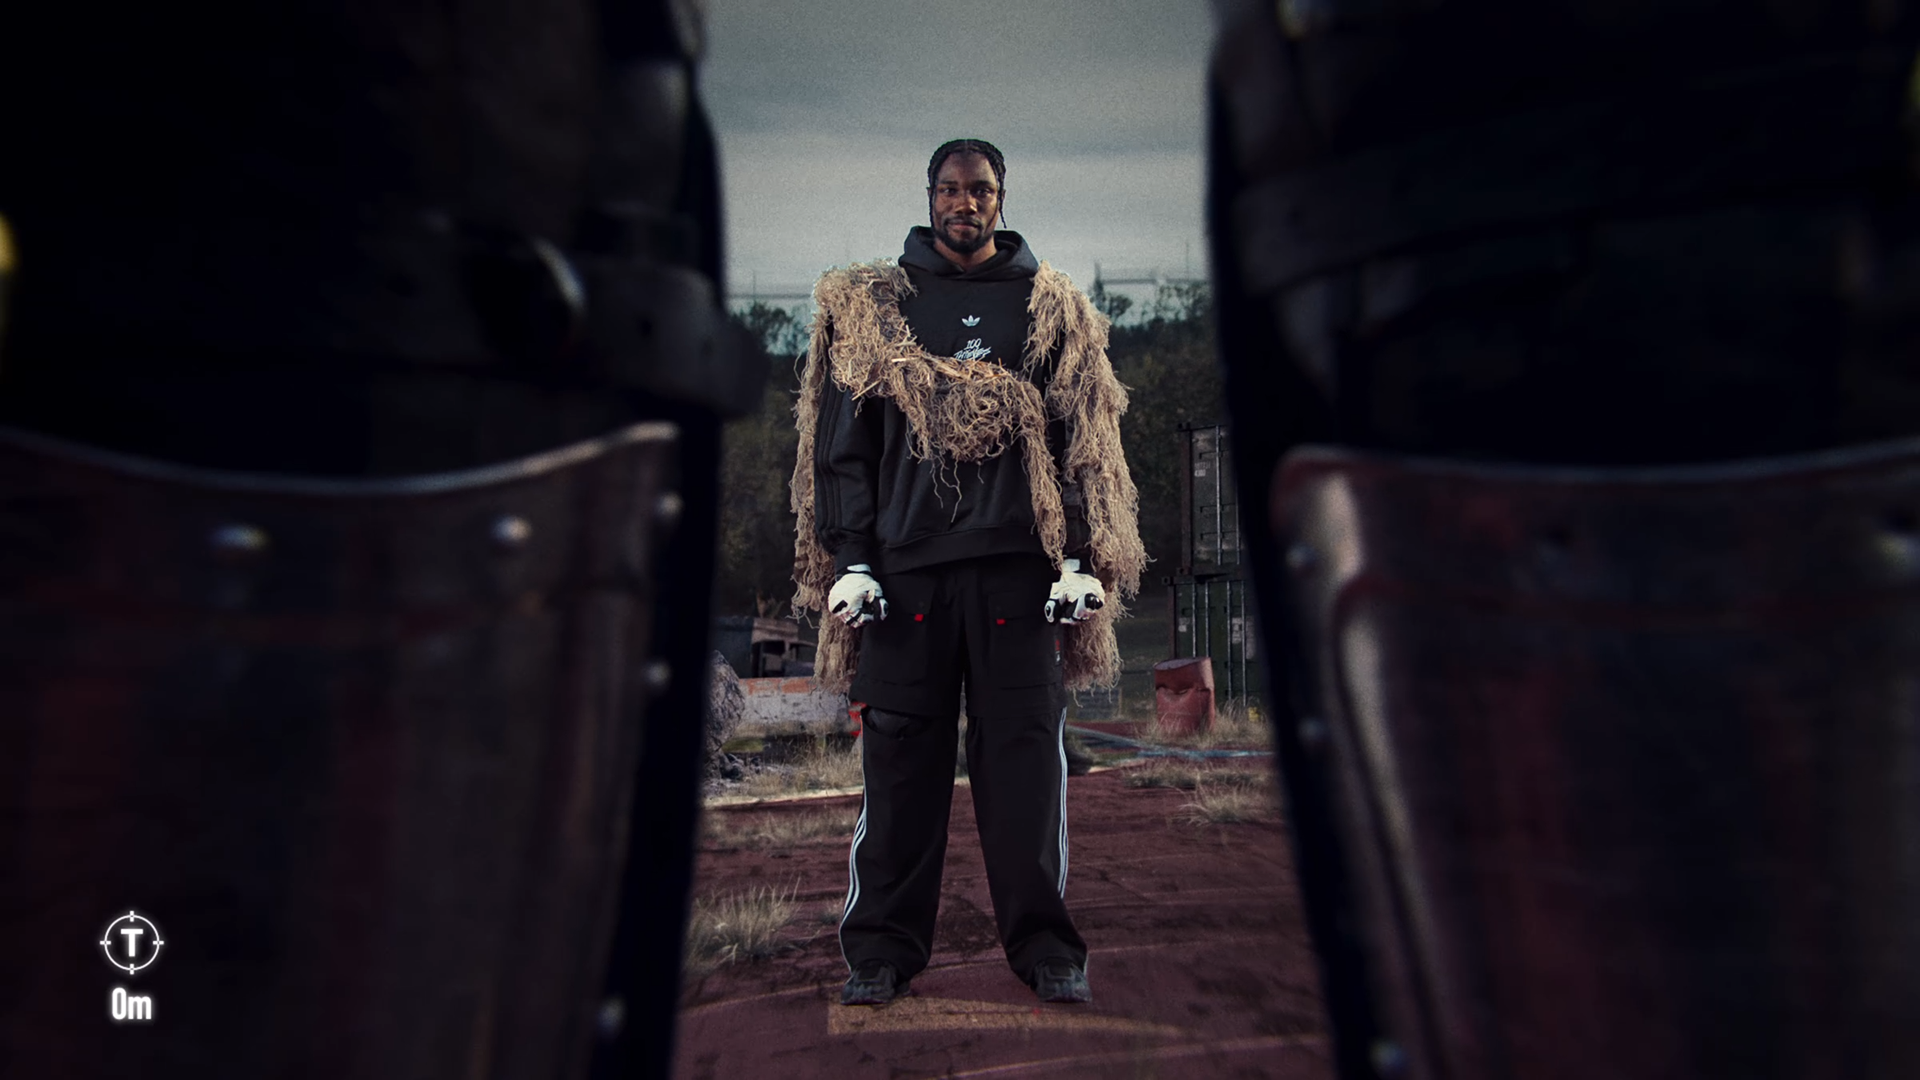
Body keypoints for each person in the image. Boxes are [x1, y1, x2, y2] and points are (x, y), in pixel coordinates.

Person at [789, 138, 1146, 1008]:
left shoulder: (1048, 303)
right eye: (950, 189)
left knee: (1025, 773)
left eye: (980, 190)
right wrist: (852, 560)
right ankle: (880, 952)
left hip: (1018, 583)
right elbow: (844, 445)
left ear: (1000, 198)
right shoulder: (874, 305)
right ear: (929, 196)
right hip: (904, 581)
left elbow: (1082, 438)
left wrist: (1077, 560)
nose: (965, 204)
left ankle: (1046, 949)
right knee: (901, 775)